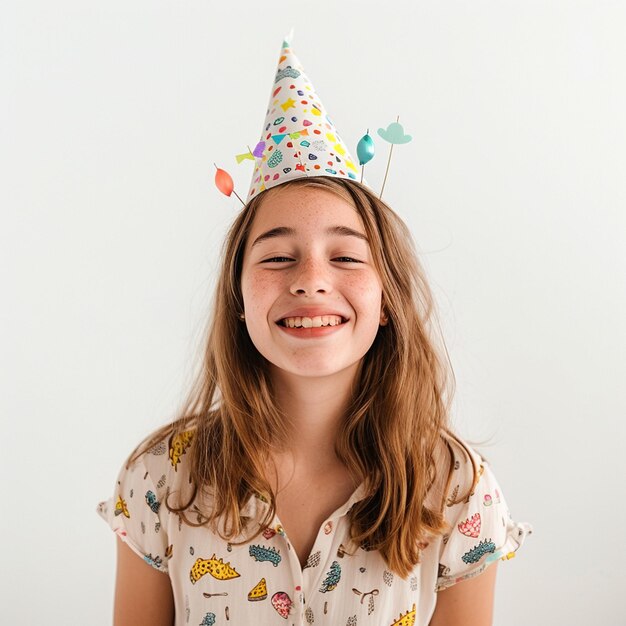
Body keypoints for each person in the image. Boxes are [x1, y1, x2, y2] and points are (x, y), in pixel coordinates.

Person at [97, 34, 531, 626]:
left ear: (386, 302)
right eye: (277, 257)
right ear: (239, 301)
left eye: (346, 258)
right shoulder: (161, 478)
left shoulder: (454, 487)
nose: (310, 280)